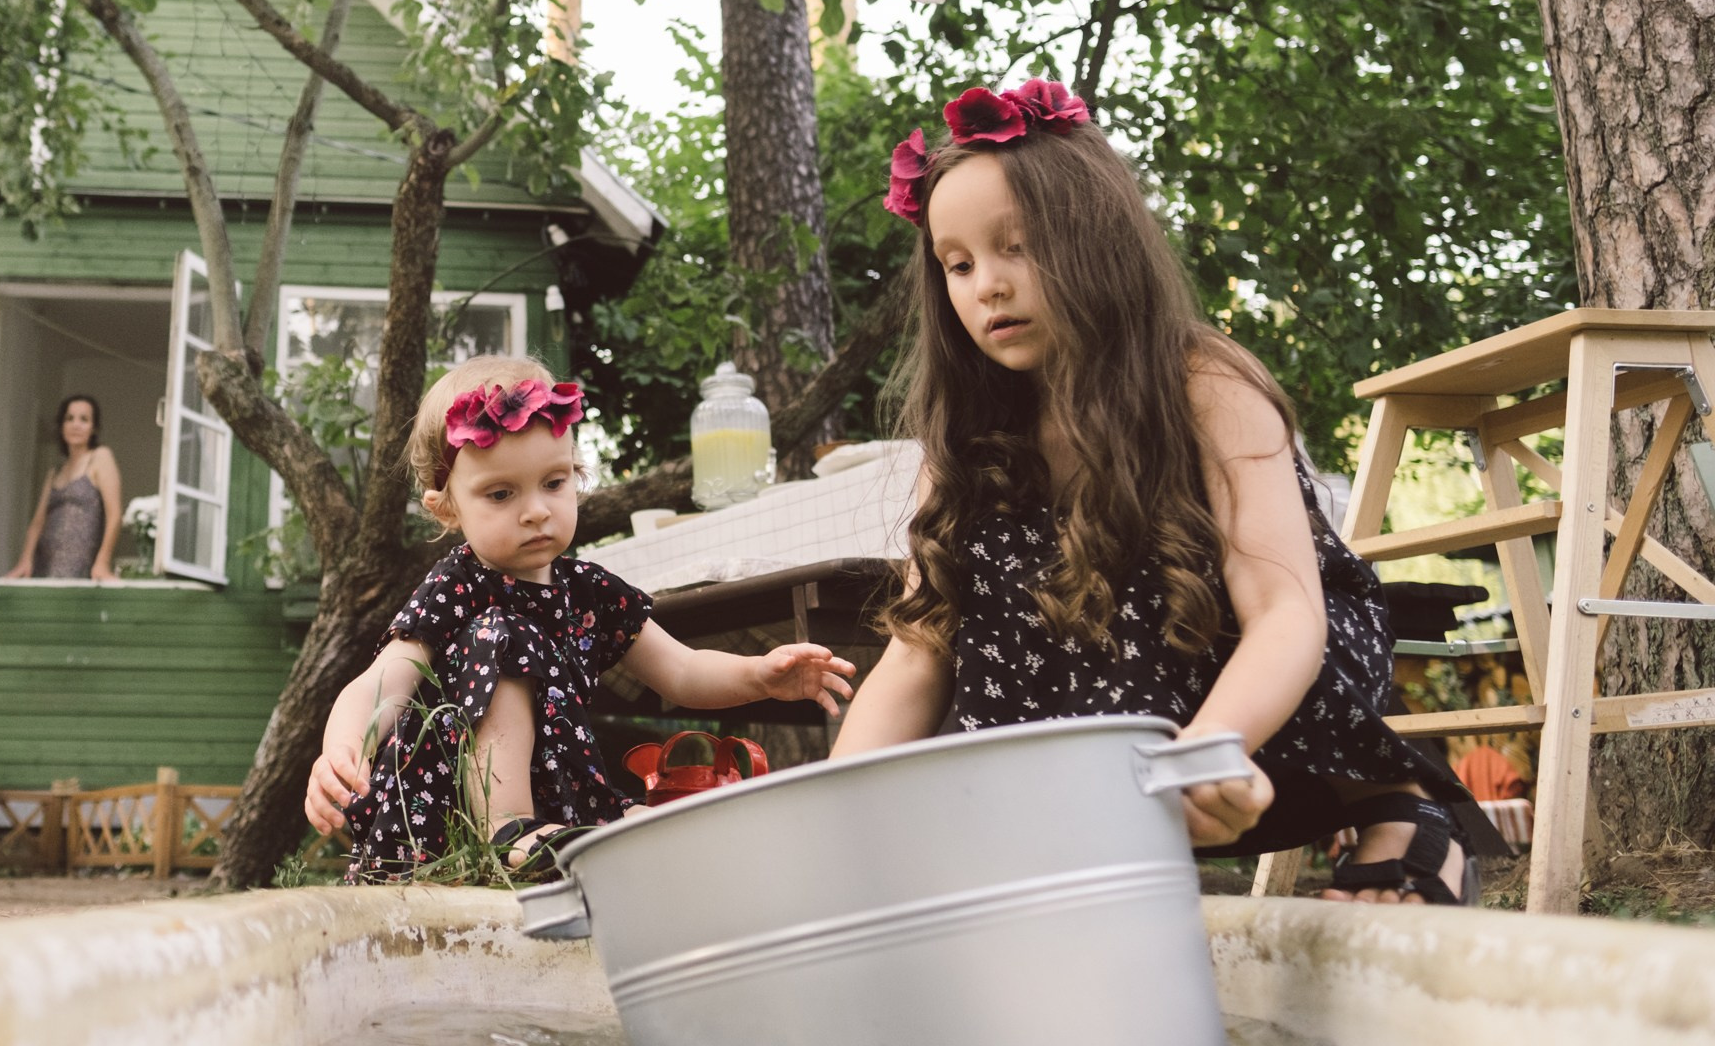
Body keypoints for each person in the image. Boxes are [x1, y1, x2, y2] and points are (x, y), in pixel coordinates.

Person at [829, 80, 1486, 906]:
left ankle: (1392, 802)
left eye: (1018, 247)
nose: (986, 285)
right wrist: (832, 822)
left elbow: (1285, 612)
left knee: (1156, 587)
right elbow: (916, 658)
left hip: (1254, 718)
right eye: (958, 265)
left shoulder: (1201, 382)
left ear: (1097, 241)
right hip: (1095, 752)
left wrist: (1206, 752)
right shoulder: (962, 444)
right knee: (979, 625)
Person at [305, 355, 857, 880]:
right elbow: (385, 680)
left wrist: (760, 675)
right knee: (505, 632)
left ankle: (573, 830)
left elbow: (683, 670)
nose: (536, 510)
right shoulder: (458, 585)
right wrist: (342, 747)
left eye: (554, 483)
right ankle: (505, 827)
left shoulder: (590, 590)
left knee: (654, 825)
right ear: (447, 508)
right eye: (501, 494)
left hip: (559, 812)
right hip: (444, 816)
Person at [6, 394, 123, 581]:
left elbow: (115, 515)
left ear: (94, 428)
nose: (76, 425)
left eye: (84, 419)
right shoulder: (55, 471)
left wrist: (103, 562)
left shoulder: (100, 457)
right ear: (62, 426)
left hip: (80, 564)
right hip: (44, 564)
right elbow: (37, 523)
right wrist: (25, 561)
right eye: (69, 419)